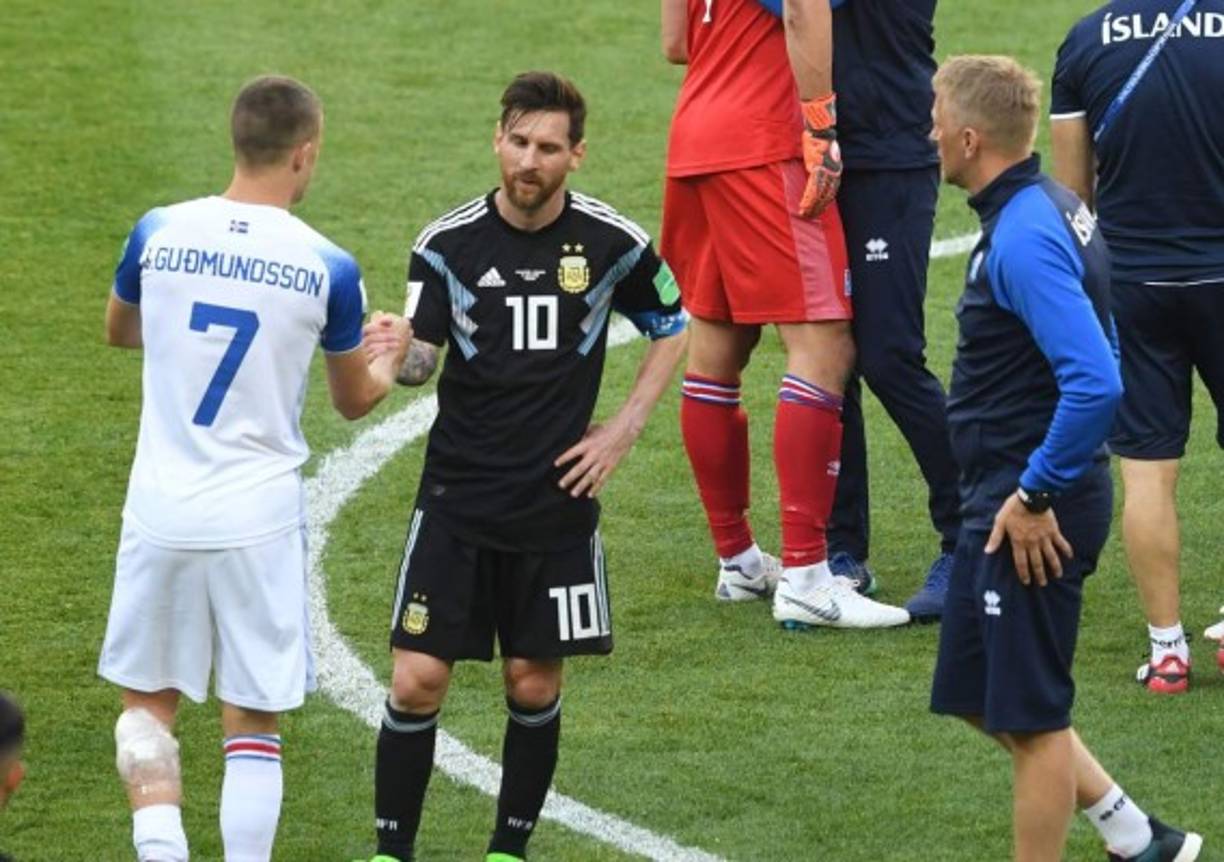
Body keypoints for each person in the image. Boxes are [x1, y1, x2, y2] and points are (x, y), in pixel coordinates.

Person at [360, 71, 688, 862]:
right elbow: (422, 364)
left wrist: (623, 430)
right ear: (497, 140)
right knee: (415, 682)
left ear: (577, 154)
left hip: (554, 504)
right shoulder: (447, 243)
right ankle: (389, 854)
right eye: (517, 142)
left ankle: (509, 850)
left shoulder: (615, 243)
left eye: (547, 147)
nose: (528, 161)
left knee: (534, 685)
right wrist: (400, 350)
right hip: (458, 497)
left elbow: (674, 326)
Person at [97, 75, 411, 862]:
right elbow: (352, 401)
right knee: (251, 720)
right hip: (256, 521)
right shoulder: (326, 267)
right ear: (305, 154)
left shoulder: (159, 231)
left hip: (161, 509)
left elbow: (121, 330)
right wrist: (391, 356)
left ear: (236, 141)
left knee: (147, 710)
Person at [928, 55, 1201, 862]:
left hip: (1029, 513)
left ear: (970, 138)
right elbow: (1104, 332)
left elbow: (1097, 382)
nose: (929, 131)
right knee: (979, 695)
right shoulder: (1052, 207)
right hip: (1002, 501)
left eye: (937, 118)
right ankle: (1135, 834)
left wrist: (1037, 493)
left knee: (1034, 721)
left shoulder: (1025, 237)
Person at [660, 0, 909, 629]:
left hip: (695, 136)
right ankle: (805, 576)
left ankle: (739, 561)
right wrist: (821, 127)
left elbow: (675, 43)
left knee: (716, 346)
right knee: (825, 346)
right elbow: (803, 7)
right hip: (765, 141)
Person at [1049, 0, 1224, 693]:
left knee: (1148, 470)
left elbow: (1071, 197)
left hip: (1135, 283)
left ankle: (1168, 651)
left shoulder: (1087, 39)